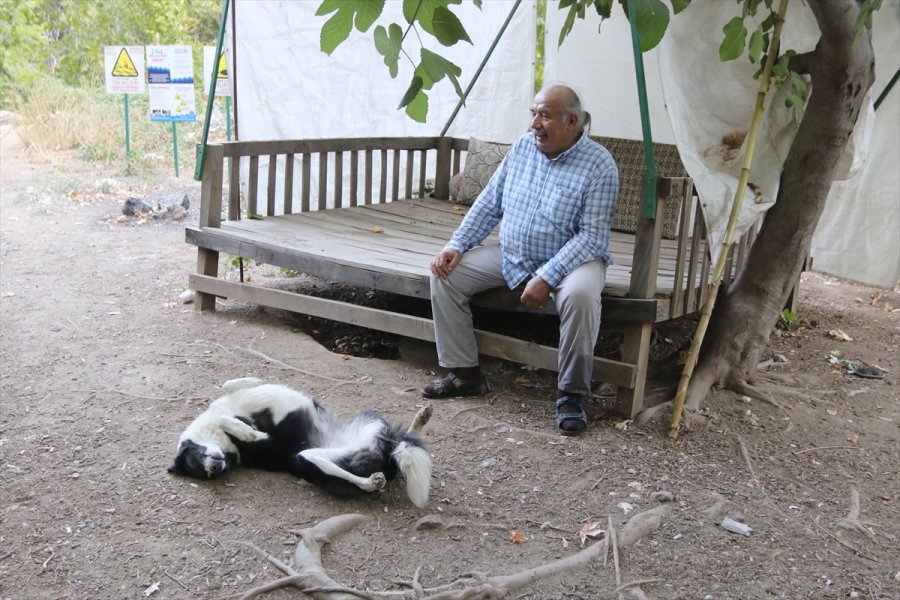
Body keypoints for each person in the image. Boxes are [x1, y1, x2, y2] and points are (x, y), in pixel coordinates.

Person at [421, 82, 620, 436]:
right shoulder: (522, 149)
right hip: (513, 254)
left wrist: (547, 276)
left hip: (572, 259)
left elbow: (592, 237)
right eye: (533, 114)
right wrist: (457, 245)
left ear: (572, 121)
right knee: (445, 274)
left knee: (582, 296)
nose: (534, 124)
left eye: (544, 116)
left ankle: (570, 393)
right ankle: (464, 373)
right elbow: (488, 204)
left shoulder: (600, 165)